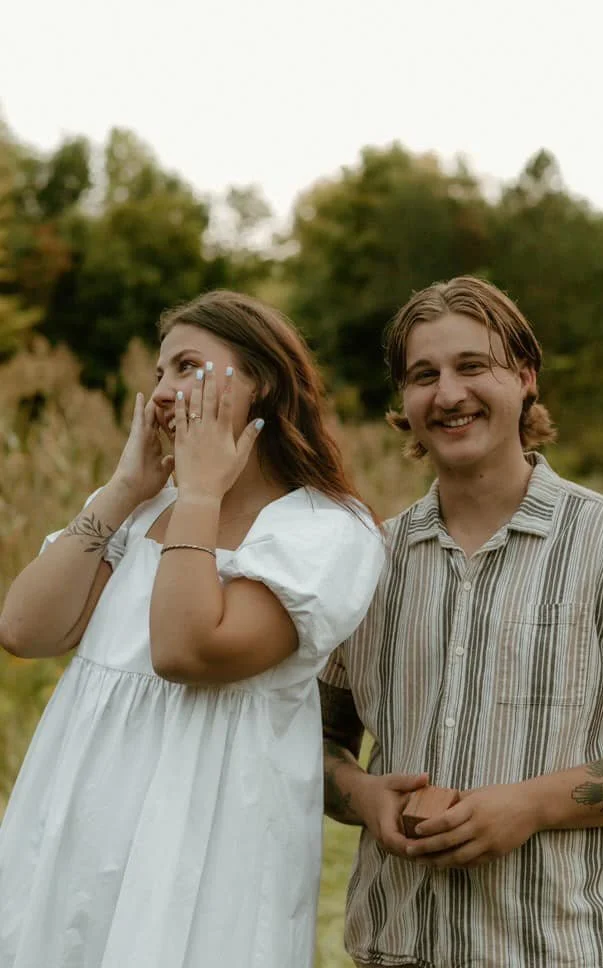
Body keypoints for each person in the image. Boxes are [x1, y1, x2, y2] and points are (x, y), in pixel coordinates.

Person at [0, 290, 385, 968]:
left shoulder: (324, 529)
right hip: (80, 812)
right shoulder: (143, 506)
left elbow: (186, 649)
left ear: (261, 382)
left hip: (204, 835)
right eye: (158, 375)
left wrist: (202, 495)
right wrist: (123, 490)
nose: (162, 394)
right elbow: (24, 628)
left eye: (185, 368)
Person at [319, 275, 603, 968]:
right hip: (395, 948)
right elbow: (312, 744)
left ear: (525, 379)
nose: (448, 393)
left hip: (566, 950)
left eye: (473, 366)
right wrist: (365, 796)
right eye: (423, 375)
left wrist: (531, 805)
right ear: (402, 404)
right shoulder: (365, 560)